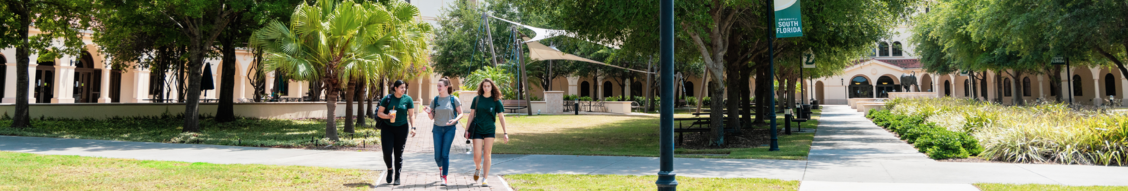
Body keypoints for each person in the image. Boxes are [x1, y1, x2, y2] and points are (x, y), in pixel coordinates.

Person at [465, 78, 509, 187]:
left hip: (489, 129)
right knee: (477, 156)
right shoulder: (477, 99)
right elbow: (471, 115)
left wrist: (505, 132)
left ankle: (485, 178)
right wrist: (466, 130)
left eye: (488, 86)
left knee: (487, 154)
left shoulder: (496, 101)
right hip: (477, 130)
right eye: (484, 86)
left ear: (492, 87)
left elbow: (501, 117)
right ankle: (477, 168)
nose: (486, 88)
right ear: (482, 87)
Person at [422, 77, 462, 186]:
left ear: (446, 87)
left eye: (440, 86)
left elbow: (461, 113)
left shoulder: (454, 99)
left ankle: (444, 177)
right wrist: (428, 112)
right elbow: (431, 117)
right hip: (437, 129)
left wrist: (455, 120)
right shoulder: (435, 100)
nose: (438, 88)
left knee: (445, 154)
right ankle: (441, 167)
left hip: (450, 129)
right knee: (437, 156)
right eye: (437, 86)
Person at [376, 80, 416, 185]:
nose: (404, 89)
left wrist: (413, 127)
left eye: (405, 87)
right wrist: (388, 116)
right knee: (387, 152)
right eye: (402, 87)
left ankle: (397, 176)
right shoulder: (387, 99)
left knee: (398, 153)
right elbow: (379, 113)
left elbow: (411, 115)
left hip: (402, 128)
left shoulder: (408, 99)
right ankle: (390, 169)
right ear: (396, 88)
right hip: (387, 128)